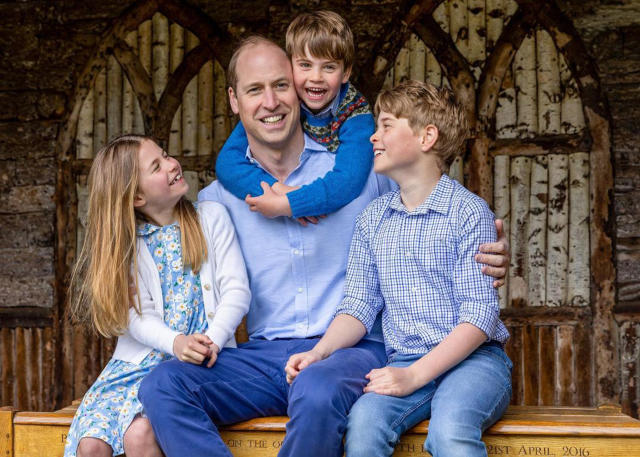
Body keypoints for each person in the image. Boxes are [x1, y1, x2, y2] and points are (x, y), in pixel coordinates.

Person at [138, 38, 509, 457]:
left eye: (281, 85)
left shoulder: (361, 174)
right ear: (234, 101)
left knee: (316, 390)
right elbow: (154, 239)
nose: (271, 101)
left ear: (299, 90)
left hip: (355, 350)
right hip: (266, 357)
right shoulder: (216, 201)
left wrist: (492, 250)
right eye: (255, 90)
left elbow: (431, 206)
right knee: (163, 385)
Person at [285, 80, 512, 457]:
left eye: (386, 125)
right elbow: (358, 305)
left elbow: (479, 315)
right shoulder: (373, 220)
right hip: (405, 359)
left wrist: (414, 376)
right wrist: (319, 352)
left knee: (450, 431)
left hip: (475, 363)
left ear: (427, 137)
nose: (374, 137)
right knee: (363, 426)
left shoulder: (468, 213)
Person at [63, 135, 251, 457]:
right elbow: (136, 318)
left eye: (165, 155)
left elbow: (237, 291)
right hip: (134, 367)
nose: (172, 164)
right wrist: (175, 342)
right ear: (136, 196)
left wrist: (213, 340)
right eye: (157, 166)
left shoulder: (211, 218)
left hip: (201, 361)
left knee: (140, 436)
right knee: (91, 445)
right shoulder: (128, 246)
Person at [214, 10, 373, 222]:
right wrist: (276, 190)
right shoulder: (285, 101)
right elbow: (227, 163)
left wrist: (293, 203)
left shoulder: (356, 114)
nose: (315, 77)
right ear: (290, 66)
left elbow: (349, 180)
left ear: (345, 73)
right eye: (305, 65)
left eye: (329, 67)